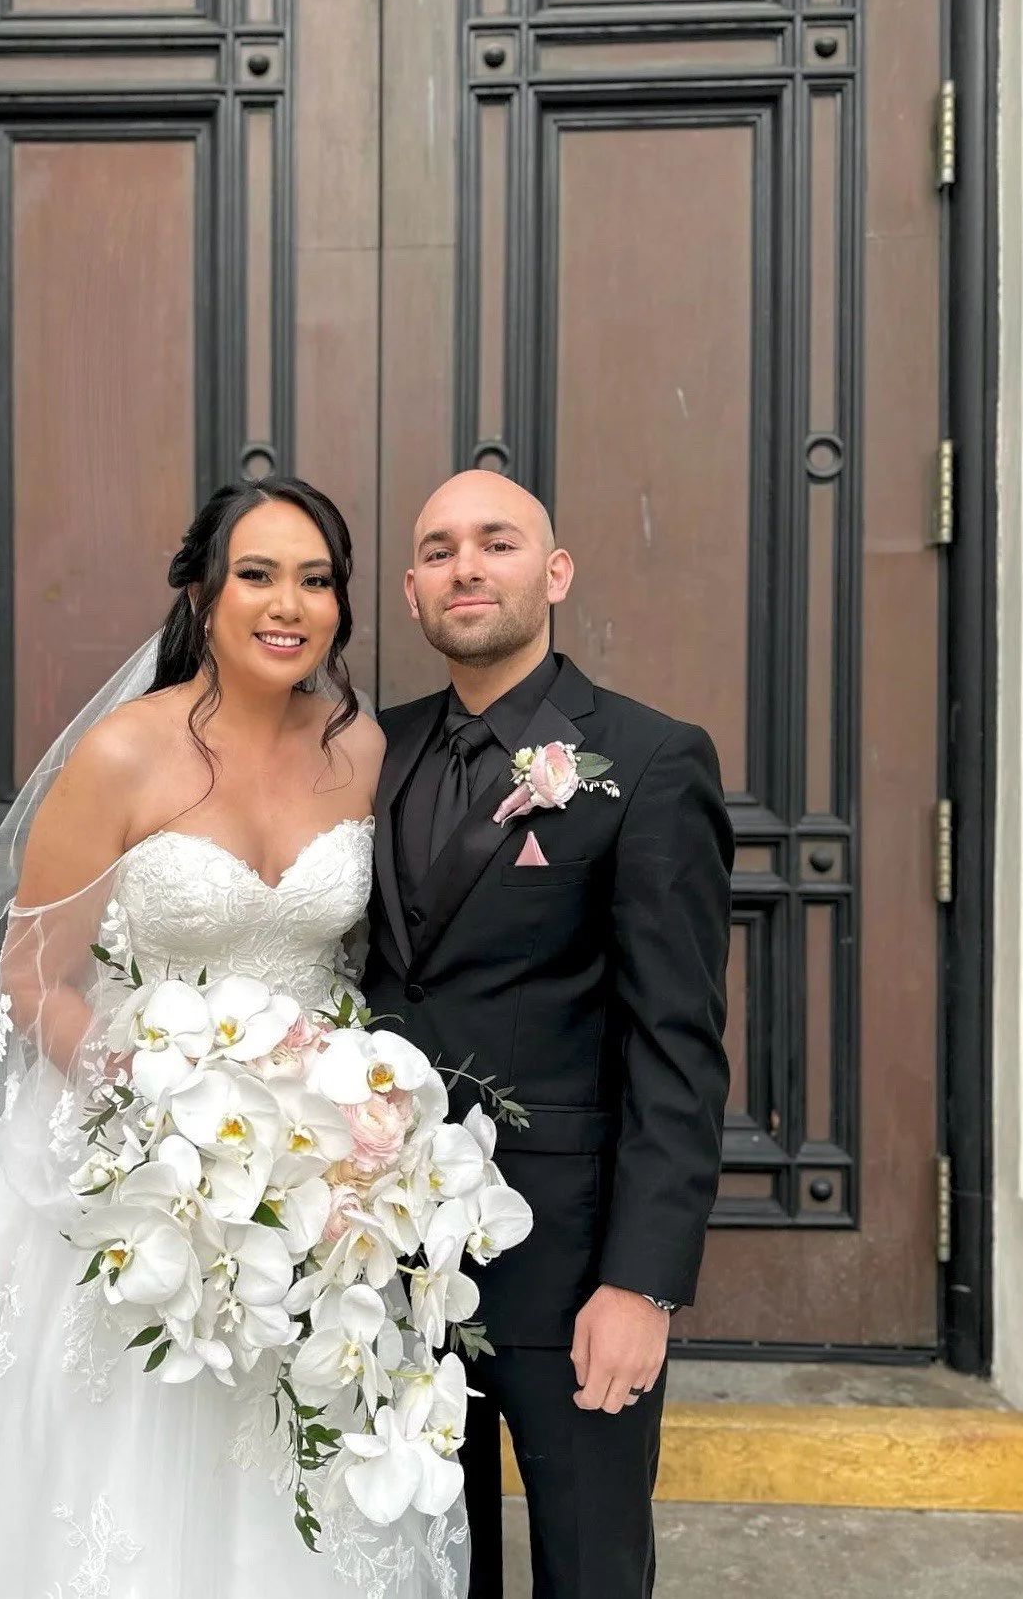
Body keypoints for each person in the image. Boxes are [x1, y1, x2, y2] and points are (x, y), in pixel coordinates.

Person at [0, 478, 467, 1599]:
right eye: (258, 573)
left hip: (314, 1190)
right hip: (141, 1171)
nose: (291, 604)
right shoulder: (124, 755)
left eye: (317, 579)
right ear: (201, 590)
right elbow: (36, 971)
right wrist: (145, 1094)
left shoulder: (362, 749)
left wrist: (348, 1121)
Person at [362, 469, 734, 1599]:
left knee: (590, 1568)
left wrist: (642, 1284)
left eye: (496, 541)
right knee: (423, 1567)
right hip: (383, 1270)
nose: (464, 565)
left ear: (554, 573)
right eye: (437, 549)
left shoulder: (649, 758)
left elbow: (678, 1045)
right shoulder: (368, 752)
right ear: (413, 593)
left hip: (570, 1270)